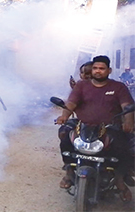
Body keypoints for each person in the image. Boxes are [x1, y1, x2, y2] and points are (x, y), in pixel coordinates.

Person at [56, 55, 134, 202]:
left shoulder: (118, 87)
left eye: (102, 68)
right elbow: (71, 103)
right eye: (96, 68)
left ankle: (119, 179)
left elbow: (127, 107)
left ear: (109, 70)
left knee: (124, 147)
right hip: (83, 125)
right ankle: (69, 171)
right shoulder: (82, 85)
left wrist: (129, 122)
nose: (98, 71)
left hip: (110, 127)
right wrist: (64, 116)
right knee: (65, 135)